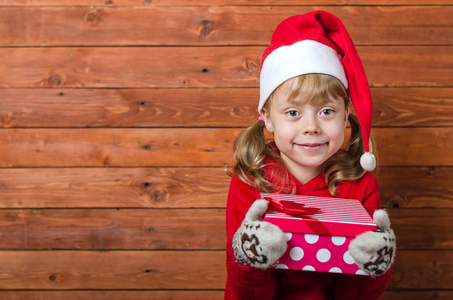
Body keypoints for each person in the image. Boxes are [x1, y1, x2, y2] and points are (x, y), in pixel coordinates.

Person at [225, 11, 396, 299]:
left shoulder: (360, 187)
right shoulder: (251, 180)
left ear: (346, 115)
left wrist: (372, 266)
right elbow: (248, 294)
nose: (311, 128)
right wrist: (251, 258)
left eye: (326, 111)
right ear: (266, 117)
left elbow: (354, 296)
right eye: (293, 112)